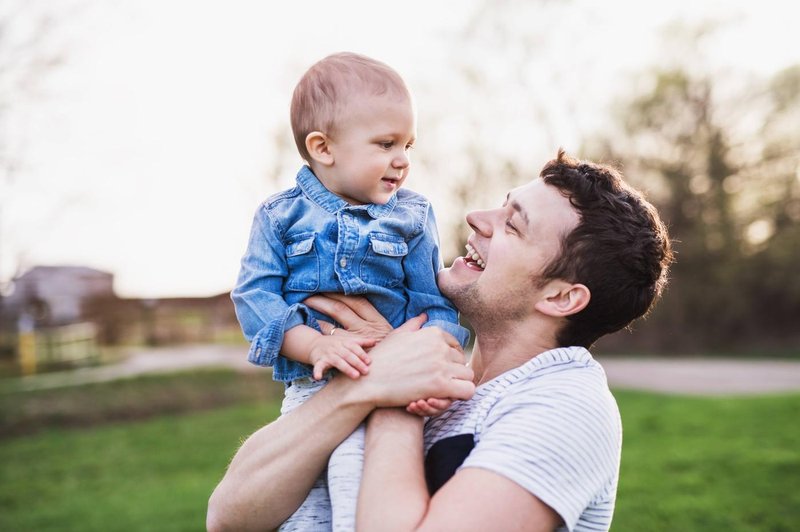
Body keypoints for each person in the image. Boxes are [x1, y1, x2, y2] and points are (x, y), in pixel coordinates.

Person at [209, 149, 673, 531]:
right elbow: (228, 517)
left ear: (561, 297)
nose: (476, 218)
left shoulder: (566, 408)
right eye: (501, 204)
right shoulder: (409, 362)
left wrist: (396, 401)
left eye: (513, 225)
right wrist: (366, 384)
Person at [230, 52, 469, 531]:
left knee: (357, 489)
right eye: (385, 144)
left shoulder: (413, 216)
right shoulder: (280, 216)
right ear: (323, 147)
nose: (402, 160)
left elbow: (435, 303)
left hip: (398, 389)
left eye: (408, 145)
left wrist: (433, 363)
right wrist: (315, 344)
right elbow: (255, 298)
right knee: (299, 507)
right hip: (313, 389)